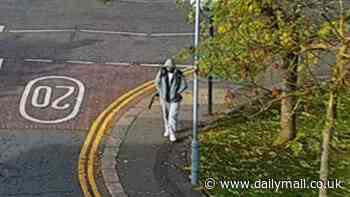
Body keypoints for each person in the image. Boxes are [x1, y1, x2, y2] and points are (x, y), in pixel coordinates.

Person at [154, 58, 188, 142]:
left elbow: (184, 85)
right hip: (164, 99)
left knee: (172, 116)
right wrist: (161, 92)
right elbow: (156, 82)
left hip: (175, 99)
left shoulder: (178, 74)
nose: (168, 68)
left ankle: (172, 134)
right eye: (167, 66)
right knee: (166, 115)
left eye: (170, 66)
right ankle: (167, 128)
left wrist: (177, 92)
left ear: (173, 67)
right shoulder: (162, 73)